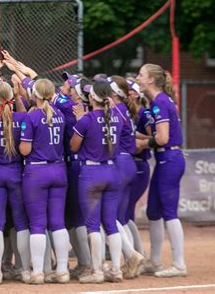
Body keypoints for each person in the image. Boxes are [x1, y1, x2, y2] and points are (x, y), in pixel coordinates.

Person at [136, 63, 187, 278]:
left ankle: (179, 264)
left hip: (170, 159)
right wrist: (144, 139)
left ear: (150, 80)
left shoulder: (159, 102)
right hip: (165, 159)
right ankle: (155, 261)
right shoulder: (159, 101)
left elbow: (163, 138)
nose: (138, 78)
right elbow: (159, 138)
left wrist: (143, 144)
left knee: (168, 212)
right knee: (153, 211)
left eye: (141, 75)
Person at [70, 81, 124, 284]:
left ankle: (97, 271)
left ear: (92, 98)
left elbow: (74, 147)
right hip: (111, 170)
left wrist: (78, 120)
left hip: (92, 172)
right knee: (111, 224)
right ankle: (116, 269)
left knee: (93, 226)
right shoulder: (117, 117)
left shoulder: (87, 119)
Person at [19, 79, 70, 284]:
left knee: (38, 224)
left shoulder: (31, 117)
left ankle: (39, 272)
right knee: (58, 222)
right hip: (58, 169)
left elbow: (25, 150)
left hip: (37, 172)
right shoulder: (59, 114)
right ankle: (63, 271)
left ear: (35, 94)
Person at [0, 80, 30, 284]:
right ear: (11, 97)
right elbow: (23, 113)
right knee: (20, 222)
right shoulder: (21, 117)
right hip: (16, 172)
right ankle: (25, 270)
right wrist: (17, 96)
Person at [108, 75, 145, 279]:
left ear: (115, 93)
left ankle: (131, 255)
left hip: (120, 164)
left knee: (110, 217)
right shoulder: (124, 110)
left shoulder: (115, 110)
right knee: (120, 218)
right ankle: (133, 258)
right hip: (129, 162)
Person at [56, 72, 92, 279]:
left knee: (76, 217)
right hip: (83, 164)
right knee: (76, 217)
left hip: (76, 164)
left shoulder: (68, 106)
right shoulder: (84, 107)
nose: (63, 85)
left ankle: (86, 263)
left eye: (67, 84)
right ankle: (84, 262)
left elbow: (39, 90)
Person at [126, 79, 151, 255]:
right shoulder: (128, 112)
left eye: (129, 90)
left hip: (139, 165)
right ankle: (136, 253)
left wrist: (137, 141)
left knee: (126, 212)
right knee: (125, 212)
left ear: (135, 94)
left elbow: (154, 138)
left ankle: (137, 253)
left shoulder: (143, 112)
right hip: (130, 165)